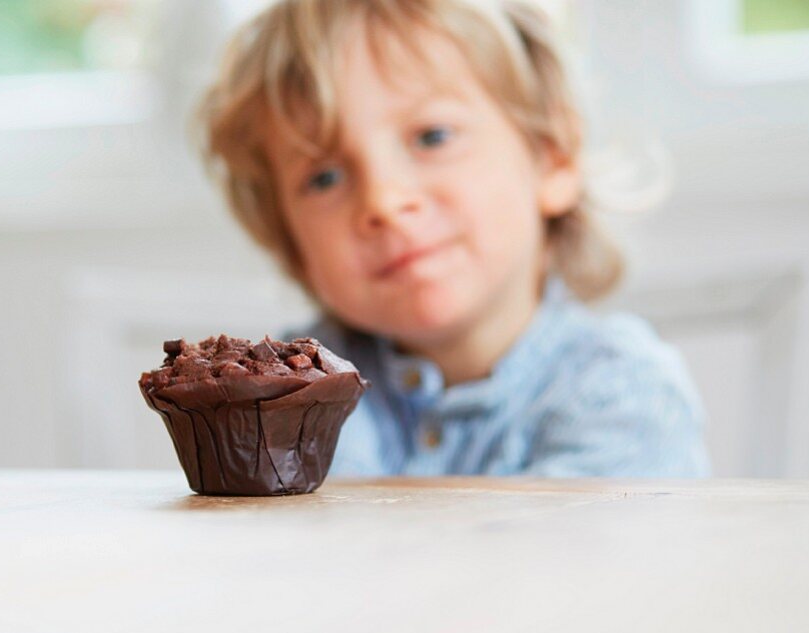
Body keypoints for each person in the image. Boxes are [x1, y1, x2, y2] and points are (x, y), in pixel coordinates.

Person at [195, 0, 709, 477]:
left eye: (432, 137)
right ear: (291, 243)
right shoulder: (286, 390)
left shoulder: (621, 394)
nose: (384, 201)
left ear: (551, 155)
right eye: (324, 177)